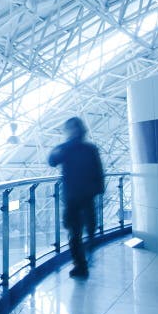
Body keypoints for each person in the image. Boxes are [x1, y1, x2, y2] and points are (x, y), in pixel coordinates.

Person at [48, 117, 104, 278]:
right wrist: (98, 189)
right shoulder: (83, 148)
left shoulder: (69, 148)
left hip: (77, 197)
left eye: (72, 128)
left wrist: (97, 189)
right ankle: (81, 263)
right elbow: (52, 161)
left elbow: (52, 161)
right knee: (77, 231)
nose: (71, 131)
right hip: (80, 197)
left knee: (78, 231)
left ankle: (81, 264)